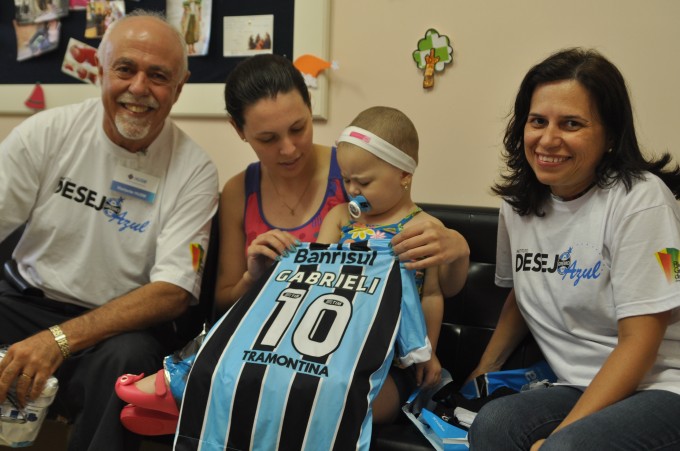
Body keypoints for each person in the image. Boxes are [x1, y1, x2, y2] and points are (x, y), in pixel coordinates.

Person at [117, 106, 446, 449]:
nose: (352, 190)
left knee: (330, 393)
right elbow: (316, 282)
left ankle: (201, 397)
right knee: (272, 369)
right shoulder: (340, 219)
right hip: (328, 348)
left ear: (404, 173)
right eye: (346, 180)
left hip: (389, 361)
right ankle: (194, 380)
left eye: (363, 182)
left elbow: (432, 295)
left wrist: (429, 353)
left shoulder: (423, 231)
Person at [0, 10, 219, 451]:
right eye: (125, 69)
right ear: (101, 71)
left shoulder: (196, 171)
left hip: (113, 331)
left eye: (158, 75)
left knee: (132, 361)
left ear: (180, 86)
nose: (139, 88)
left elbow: (174, 290)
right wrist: (46, 337)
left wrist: (58, 341)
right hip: (26, 304)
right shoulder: (46, 133)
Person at [467, 48, 680, 450]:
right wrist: (480, 373)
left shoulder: (643, 200)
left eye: (571, 123)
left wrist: (559, 437)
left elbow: (641, 342)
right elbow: (524, 293)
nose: (548, 139)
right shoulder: (517, 206)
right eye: (537, 121)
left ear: (610, 136)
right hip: (576, 382)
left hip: (664, 384)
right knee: (493, 425)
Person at [216, 54, 470, 316]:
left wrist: (457, 248)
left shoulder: (356, 168)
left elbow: (424, 272)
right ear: (239, 130)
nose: (289, 149)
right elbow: (223, 304)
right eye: (268, 139)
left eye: (298, 128)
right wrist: (253, 278)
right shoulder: (239, 192)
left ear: (310, 106)